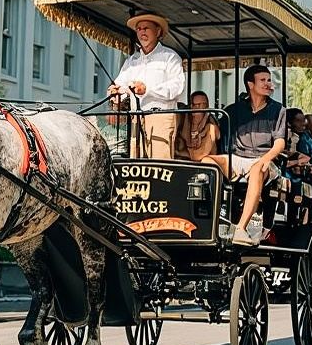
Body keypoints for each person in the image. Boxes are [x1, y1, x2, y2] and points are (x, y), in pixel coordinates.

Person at [201, 65, 287, 247]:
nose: (268, 83)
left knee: (257, 169)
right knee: (206, 162)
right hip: (237, 159)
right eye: (263, 80)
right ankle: (211, 221)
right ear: (250, 84)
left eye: (269, 80)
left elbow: (280, 143)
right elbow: (218, 130)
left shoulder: (278, 110)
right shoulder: (233, 110)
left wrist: (265, 159)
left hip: (264, 160)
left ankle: (240, 228)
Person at [108, 13, 185, 158]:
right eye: (139, 29)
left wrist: (147, 90)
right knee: (136, 163)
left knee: (159, 166)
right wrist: (115, 93)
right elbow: (120, 85)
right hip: (136, 119)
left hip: (160, 118)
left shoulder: (170, 57)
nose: (142, 32)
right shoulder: (132, 61)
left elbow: (177, 87)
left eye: (146, 28)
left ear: (158, 31)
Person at [175, 90, 219, 160]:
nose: (200, 108)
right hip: (183, 157)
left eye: (203, 105)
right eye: (196, 105)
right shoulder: (183, 118)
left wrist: (202, 133)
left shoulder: (210, 119)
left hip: (204, 160)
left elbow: (218, 135)